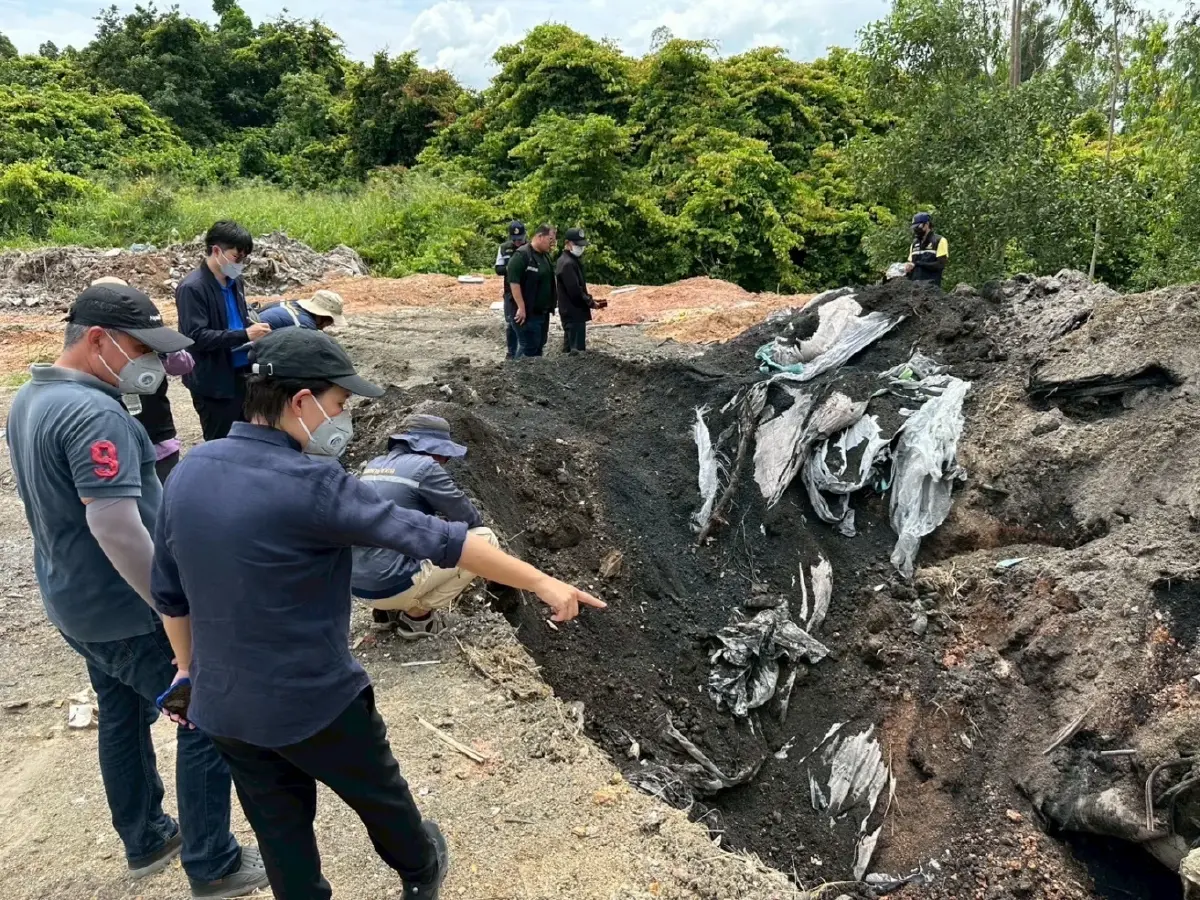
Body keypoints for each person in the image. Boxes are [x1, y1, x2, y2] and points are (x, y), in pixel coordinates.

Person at [151, 327, 606, 900]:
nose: (341, 420)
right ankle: (420, 873)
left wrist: (189, 672)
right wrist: (543, 581)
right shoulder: (314, 483)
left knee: (278, 828)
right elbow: (441, 539)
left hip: (225, 706)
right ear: (301, 402)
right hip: (314, 700)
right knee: (380, 797)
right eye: (339, 405)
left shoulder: (193, 468)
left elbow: (169, 592)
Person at [5, 282, 268, 900]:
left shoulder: (31, 397)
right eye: (141, 348)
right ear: (97, 341)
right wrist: (170, 605)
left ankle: (146, 835)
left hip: (75, 601)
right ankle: (214, 863)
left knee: (121, 714)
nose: (152, 362)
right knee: (204, 715)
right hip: (126, 608)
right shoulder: (95, 412)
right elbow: (114, 523)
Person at [352, 412, 499, 638]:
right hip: (390, 584)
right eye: (445, 455)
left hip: (357, 584)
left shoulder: (373, 466)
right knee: (485, 538)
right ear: (432, 449)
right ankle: (417, 617)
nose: (444, 461)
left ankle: (386, 612)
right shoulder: (425, 467)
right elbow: (468, 519)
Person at [90, 277, 194, 483]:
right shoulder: (90, 344)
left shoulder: (148, 330)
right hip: (115, 448)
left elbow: (186, 365)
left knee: (164, 505)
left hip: (159, 442)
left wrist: (159, 350)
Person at [176, 221, 272, 441]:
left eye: (244, 258)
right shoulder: (192, 288)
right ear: (216, 251)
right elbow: (195, 337)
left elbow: (239, 318)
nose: (240, 264)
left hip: (241, 372)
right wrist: (245, 335)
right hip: (213, 381)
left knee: (247, 438)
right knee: (221, 442)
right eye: (237, 257)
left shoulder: (235, 281)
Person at [506, 224, 557, 358]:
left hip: (542, 312)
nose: (552, 243)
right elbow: (514, 282)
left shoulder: (545, 256)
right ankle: (515, 375)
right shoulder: (522, 255)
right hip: (527, 314)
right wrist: (521, 307)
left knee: (538, 346)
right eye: (550, 239)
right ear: (540, 237)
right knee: (528, 346)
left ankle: (535, 376)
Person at [555, 227, 604, 353]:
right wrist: (590, 302)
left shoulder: (570, 261)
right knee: (576, 352)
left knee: (571, 349)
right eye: (577, 245)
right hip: (573, 312)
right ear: (568, 243)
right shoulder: (567, 264)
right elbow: (575, 291)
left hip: (572, 312)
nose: (581, 248)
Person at [494, 221, 527, 360]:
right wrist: (512, 267)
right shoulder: (504, 248)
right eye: (514, 240)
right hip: (509, 291)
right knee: (510, 323)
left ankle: (523, 352)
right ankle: (511, 352)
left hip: (526, 290)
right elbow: (498, 269)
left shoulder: (530, 248)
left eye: (520, 239)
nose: (517, 242)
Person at [257, 290, 347, 332]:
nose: (328, 325)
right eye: (329, 321)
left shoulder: (293, 303)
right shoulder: (304, 324)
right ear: (323, 316)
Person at [906, 212, 949, 286]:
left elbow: (940, 265)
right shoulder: (914, 243)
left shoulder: (939, 240)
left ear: (927, 224)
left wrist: (918, 264)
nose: (916, 230)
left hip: (931, 288)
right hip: (914, 290)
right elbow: (911, 265)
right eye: (914, 228)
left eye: (918, 227)